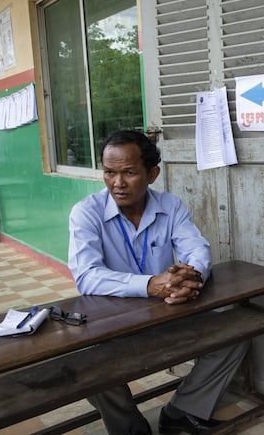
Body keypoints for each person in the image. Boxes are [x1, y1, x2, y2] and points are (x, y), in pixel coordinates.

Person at [68, 130, 250, 434]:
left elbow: (196, 248)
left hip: (168, 310)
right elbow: (86, 276)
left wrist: (191, 275)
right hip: (113, 323)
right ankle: (129, 428)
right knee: (90, 368)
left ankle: (182, 411)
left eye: (129, 173)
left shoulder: (170, 205)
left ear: (152, 174)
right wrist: (151, 284)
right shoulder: (86, 213)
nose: (117, 183)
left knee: (237, 334)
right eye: (109, 172)